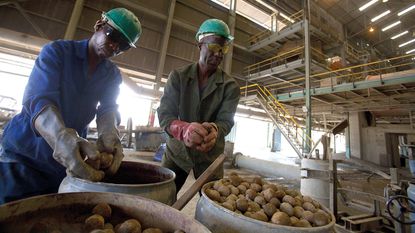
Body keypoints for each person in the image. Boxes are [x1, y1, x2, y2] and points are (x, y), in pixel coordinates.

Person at [0, 8, 142, 204]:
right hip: (25, 157)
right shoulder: (57, 52)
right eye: (112, 35)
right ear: (99, 25)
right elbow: (39, 99)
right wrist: (59, 136)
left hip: (64, 165)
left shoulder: (112, 75)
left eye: (123, 45)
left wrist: (110, 133)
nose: (114, 45)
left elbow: (108, 107)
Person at [157, 19, 240, 194]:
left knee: (213, 204)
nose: (219, 54)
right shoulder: (178, 77)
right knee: (162, 198)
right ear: (199, 45)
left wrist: (216, 130)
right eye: (214, 48)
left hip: (210, 157)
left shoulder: (230, 86)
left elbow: (226, 121)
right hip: (177, 152)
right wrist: (183, 130)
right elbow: (165, 114)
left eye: (223, 49)